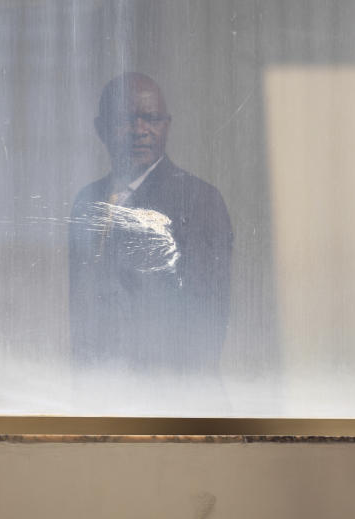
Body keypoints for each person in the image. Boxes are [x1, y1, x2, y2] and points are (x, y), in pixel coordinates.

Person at [69, 72, 232, 374]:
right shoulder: (87, 202)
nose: (140, 131)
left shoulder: (198, 200)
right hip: (99, 391)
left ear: (167, 126)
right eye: (125, 120)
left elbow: (207, 318)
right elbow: (80, 308)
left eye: (152, 119)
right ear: (100, 128)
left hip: (170, 393)